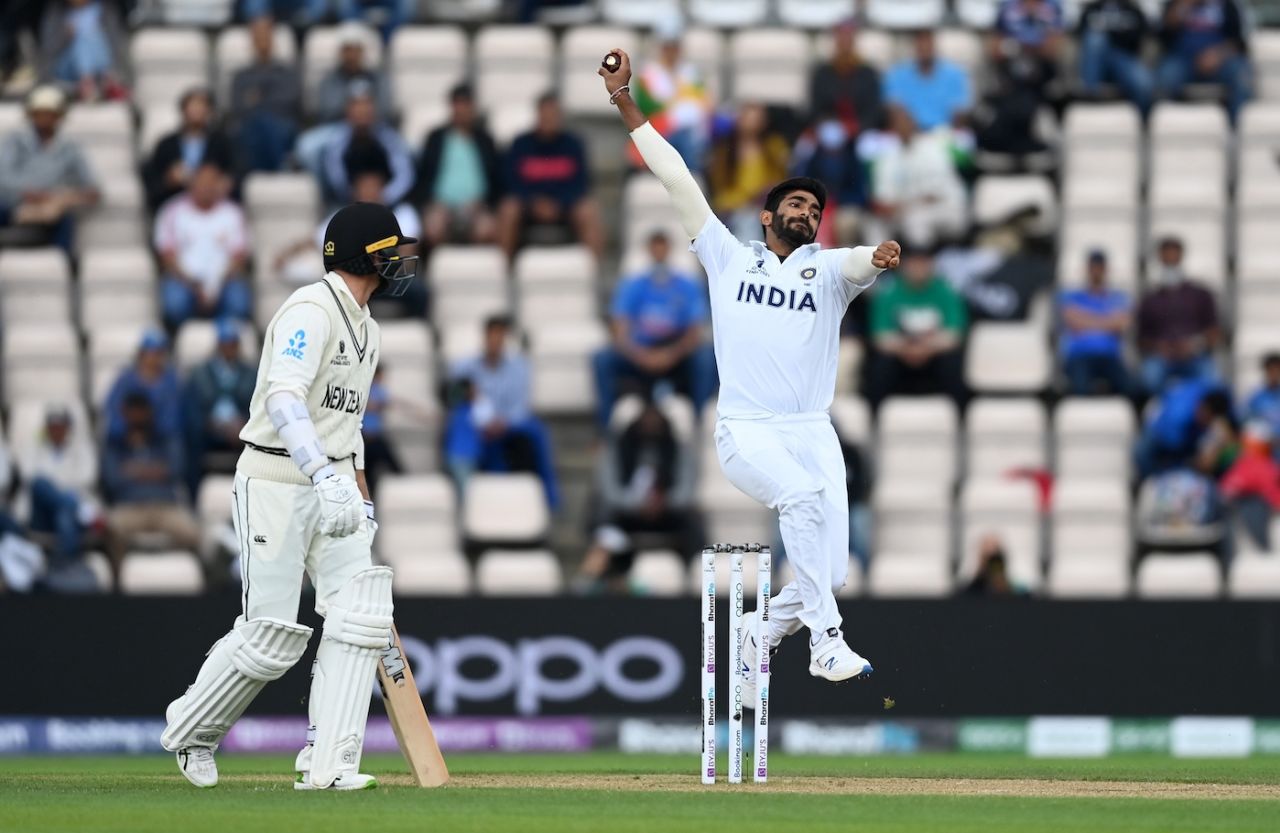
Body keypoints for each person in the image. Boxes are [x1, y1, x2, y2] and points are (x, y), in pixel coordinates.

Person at [600, 49, 897, 699]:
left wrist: (876, 257)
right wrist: (627, 105)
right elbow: (677, 178)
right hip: (748, 429)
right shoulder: (728, 257)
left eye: (813, 208)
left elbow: (857, 265)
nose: (805, 212)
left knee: (832, 568)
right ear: (766, 218)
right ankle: (824, 642)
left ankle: (763, 631)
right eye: (794, 204)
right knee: (799, 505)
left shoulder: (829, 271)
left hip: (812, 430)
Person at [161, 202, 420, 790]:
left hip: (333, 486)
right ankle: (192, 730)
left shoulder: (370, 329)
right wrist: (319, 475)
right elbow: (284, 398)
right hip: (278, 479)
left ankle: (329, 764)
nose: (402, 259)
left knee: (361, 616)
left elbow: (347, 429)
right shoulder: (311, 308)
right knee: (272, 637)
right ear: (365, 254)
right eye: (393, 248)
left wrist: (360, 500)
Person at [574, 400, 702, 594]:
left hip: (668, 515)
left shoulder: (678, 449)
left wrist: (663, 502)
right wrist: (638, 504)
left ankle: (697, 582)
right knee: (604, 521)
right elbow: (610, 491)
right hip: (626, 515)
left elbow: (686, 490)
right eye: (645, 421)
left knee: (694, 522)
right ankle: (591, 583)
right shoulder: (616, 450)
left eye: (656, 422)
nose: (650, 427)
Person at [593, 230, 716, 428]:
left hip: (675, 355)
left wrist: (669, 355)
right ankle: (604, 430)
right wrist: (641, 355)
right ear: (649, 250)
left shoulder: (687, 285)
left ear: (669, 250)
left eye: (663, 247)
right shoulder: (633, 285)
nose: (659, 252)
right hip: (638, 353)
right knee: (602, 359)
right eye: (655, 247)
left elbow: (694, 331)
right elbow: (619, 327)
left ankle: (699, 424)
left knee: (705, 358)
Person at [444, 316, 560, 510]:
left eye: (500, 337)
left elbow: (521, 406)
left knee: (535, 430)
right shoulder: (463, 367)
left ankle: (548, 498)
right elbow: (453, 401)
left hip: (508, 425)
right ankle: (468, 499)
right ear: (485, 337)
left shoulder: (520, 367)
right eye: (492, 336)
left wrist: (502, 422)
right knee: (460, 429)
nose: (496, 342)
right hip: (477, 427)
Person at [102, 393, 201, 577]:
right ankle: (119, 582)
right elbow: (112, 478)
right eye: (134, 413)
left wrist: (132, 470)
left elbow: (175, 469)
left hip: (165, 506)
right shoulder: (115, 443)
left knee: (192, 532)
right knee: (112, 529)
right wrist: (156, 470)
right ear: (125, 414)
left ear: (150, 413)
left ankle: (174, 576)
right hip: (130, 507)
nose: (138, 417)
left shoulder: (164, 439)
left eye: (142, 413)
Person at [497, 93, 604, 259]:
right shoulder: (520, 144)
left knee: (588, 211)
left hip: (565, 208)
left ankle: (592, 273)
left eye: (553, 114)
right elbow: (511, 182)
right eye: (545, 114)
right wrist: (534, 203)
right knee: (508, 209)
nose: (548, 119)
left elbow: (581, 184)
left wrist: (558, 204)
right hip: (528, 208)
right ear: (537, 115)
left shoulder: (573, 145)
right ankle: (503, 271)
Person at [0, 85, 100, 252]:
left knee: (66, 221)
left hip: (49, 210)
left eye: (50, 113)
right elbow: (3, 175)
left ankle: (65, 264)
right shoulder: (15, 141)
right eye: (40, 113)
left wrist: (63, 196)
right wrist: (27, 192)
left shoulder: (70, 148)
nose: (45, 118)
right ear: (31, 115)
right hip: (11, 204)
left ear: (59, 116)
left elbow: (92, 186)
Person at [154, 163, 252, 330]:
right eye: (202, 183)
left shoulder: (233, 213)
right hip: (185, 280)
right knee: (175, 304)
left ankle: (226, 338)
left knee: (239, 303)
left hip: (224, 280)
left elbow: (239, 258)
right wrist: (194, 286)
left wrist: (215, 286)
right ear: (192, 184)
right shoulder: (172, 210)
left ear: (219, 185)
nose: (206, 188)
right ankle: (181, 339)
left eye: (211, 184)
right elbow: (167, 256)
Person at [867, 248, 968, 409]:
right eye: (914, 263)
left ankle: (961, 418)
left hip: (934, 357)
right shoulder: (888, 292)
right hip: (900, 358)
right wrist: (907, 348)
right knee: (879, 368)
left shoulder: (946, 291)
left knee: (953, 366)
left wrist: (925, 348)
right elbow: (879, 336)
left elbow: (955, 335)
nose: (919, 268)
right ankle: (874, 418)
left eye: (924, 262)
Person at [864, 105, 969, 249]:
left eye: (905, 121)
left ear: (913, 123)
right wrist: (888, 206)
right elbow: (884, 197)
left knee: (916, 220)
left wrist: (902, 205)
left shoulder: (933, 147)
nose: (902, 126)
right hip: (906, 209)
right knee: (874, 225)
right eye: (896, 123)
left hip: (946, 206)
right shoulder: (889, 156)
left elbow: (932, 195)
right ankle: (879, 269)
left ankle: (921, 267)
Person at [416, 84, 502, 247]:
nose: (462, 109)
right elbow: (423, 176)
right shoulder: (436, 138)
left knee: (487, 229)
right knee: (433, 227)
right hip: (441, 206)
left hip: (477, 207)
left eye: (466, 104)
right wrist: (431, 203)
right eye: (458, 104)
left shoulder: (485, 140)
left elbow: (496, 178)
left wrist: (485, 204)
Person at [16, 405, 100, 571]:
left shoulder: (82, 448)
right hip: (41, 515)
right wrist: (63, 489)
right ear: (46, 428)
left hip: (68, 515)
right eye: (52, 427)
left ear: (68, 428)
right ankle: (75, 509)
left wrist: (53, 486)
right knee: (40, 485)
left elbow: (87, 478)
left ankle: (62, 563)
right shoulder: (32, 448)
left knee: (63, 513)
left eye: (61, 426)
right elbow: (30, 478)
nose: (56, 431)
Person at [183, 319, 256, 498]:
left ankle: (250, 497)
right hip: (208, 430)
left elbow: (258, 407)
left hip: (241, 430)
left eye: (233, 344)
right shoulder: (199, 373)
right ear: (218, 345)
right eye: (225, 344)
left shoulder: (251, 373)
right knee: (189, 441)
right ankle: (194, 497)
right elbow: (191, 408)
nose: (229, 348)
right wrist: (209, 424)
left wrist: (243, 425)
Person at [1136, 236, 1219, 394]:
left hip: (1195, 356)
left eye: (1174, 255)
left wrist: (1194, 344)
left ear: (1181, 256)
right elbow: (1141, 340)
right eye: (1166, 255)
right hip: (1162, 358)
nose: (1170, 259)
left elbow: (1214, 332)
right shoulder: (1150, 299)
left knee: (1212, 382)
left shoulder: (1201, 294)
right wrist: (1161, 347)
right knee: (1148, 380)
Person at [629, 16, 712, 171]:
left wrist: (677, 109)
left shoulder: (691, 73)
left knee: (689, 138)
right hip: (659, 133)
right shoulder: (647, 74)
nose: (671, 51)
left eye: (675, 46)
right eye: (667, 46)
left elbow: (704, 104)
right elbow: (644, 108)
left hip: (690, 134)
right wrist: (675, 109)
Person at [706, 102, 791, 242]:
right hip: (733, 210)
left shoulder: (773, 148)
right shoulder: (725, 152)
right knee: (746, 221)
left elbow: (781, 181)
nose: (751, 123)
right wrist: (744, 200)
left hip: (764, 208)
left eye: (756, 118)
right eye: (747, 117)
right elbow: (720, 190)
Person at [229, 15, 302, 173]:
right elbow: (238, 107)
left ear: (273, 37)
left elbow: (290, 102)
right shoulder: (241, 76)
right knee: (253, 129)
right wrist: (268, 99)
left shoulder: (287, 72)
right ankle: (277, 170)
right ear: (252, 39)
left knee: (266, 124)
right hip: (250, 128)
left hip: (281, 125)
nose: (262, 38)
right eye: (257, 34)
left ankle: (265, 173)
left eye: (266, 33)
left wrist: (257, 99)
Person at [1157, 0, 1252, 121]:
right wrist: (1185, 5)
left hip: (1220, 61)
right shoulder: (1176, 3)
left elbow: (1238, 43)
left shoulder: (1228, 5)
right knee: (1164, 79)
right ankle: (1172, 126)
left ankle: (1235, 128)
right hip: (1182, 60)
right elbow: (1163, 35)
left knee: (1241, 76)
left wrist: (1218, 55)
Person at [144, 88, 236, 212]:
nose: (197, 111)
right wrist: (169, 180)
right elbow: (153, 180)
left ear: (209, 111)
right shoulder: (166, 144)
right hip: (175, 206)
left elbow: (235, 171)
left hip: (212, 208)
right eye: (193, 106)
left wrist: (223, 182)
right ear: (183, 110)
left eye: (201, 106)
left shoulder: (221, 142)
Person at [319, 89, 414, 208]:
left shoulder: (389, 139)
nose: (362, 112)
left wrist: (384, 195)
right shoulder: (337, 142)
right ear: (348, 112)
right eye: (357, 108)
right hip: (348, 205)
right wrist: (356, 195)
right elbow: (336, 177)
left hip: (388, 205)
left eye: (366, 108)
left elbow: (404, 176)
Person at [1059, 249, 1133, 396]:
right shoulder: (1072, 296)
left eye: (1100, 267)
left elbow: (1123, 323)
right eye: (1093, 267)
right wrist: (1107, 321)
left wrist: (1086, 321)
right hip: (1079, 355)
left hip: (1110, 357)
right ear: (1087, 269)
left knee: (1132, 387)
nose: (1096, 271)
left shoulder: (1118, 297)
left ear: (1105, 269)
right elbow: (1072, 321)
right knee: (1080, 387)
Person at [37, 0, 128, 102]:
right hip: (67, 66)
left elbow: (116, 42)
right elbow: (48, 50)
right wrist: (65, 35)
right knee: (81, 41)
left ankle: (101, 81)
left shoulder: (104, 9)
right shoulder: (56, 13)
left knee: (91, 37)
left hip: (101, 62)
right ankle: (90, 82)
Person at [104, 329, 183, 443]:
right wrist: (127, 432)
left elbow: (171, 415)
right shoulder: (125, 379)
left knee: (175, 442)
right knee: (111, 441)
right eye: (151, 353)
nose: (155, 358)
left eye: (159, 353)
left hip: (159, 436)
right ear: (141, 353)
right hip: (126, 436)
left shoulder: (170, 380)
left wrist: (149, 432)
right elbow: (113, 407)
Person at [884, 29, 973, 131]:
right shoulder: (897, 75)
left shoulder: (955, 74)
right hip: (908, 135)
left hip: (945, 134)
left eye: (928, 43)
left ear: (934, 46)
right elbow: (894, 109)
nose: (925, 48)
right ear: (914, 47)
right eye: (920, 44)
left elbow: (960, 110)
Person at [809, 19, 884, 138]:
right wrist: (831, 125)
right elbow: (815, 109)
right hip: (830, 131)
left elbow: (874, 111)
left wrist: (858, 126)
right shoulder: (822, 73)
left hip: (861, 131)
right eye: (841, 35)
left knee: (869, 146)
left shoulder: (867, 73)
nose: (845, 40)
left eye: (848, 36)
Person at [1077, 0, 1155, 112]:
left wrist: (1114, 36)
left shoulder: (1132, 9)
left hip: (1123, 58)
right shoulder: (1092, 9)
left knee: (1144, 83)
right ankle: (1090, 99)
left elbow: (1141, 35)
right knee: (1095, 38)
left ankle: (1143, 120)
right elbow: (1080, 35)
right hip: (1095, 62)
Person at [989, 0, 1067, 104]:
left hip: (1042, 65)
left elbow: (1053, 47)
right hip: (1011, 62)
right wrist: (1012, 47)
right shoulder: (1007, 6)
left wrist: (1030, 47)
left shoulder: (1053, 6)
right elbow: (996, 47)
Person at [314, 23, 391, 124]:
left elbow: (385, 109)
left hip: (373, 128)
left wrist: (365, 114)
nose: (351, 55)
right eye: (347, 50)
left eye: (356, 50)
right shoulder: (329, 80)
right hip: (338, 127)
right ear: (340, 52)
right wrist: (355, 110)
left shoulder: (377, 78)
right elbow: (327, 110)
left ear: (362, 51)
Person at [359, 365, 402, 496]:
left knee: (395, 468)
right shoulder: (363, 388)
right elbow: (367, 405)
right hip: (365, 439)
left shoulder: (379, 390)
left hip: (376, 437)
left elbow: (388, 403)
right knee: (367, 476)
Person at [962, 533, 1028, 596]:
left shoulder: (1019, 590)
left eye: (996, 559)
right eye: (986, 556)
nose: (992, 564)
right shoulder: (970, 591)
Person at [1244, 353, 1280, 457]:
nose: (1274, 374)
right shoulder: (1256, 397)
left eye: (1277, 370)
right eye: (1270, 370)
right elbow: (1247, 423)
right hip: (1264, 454)